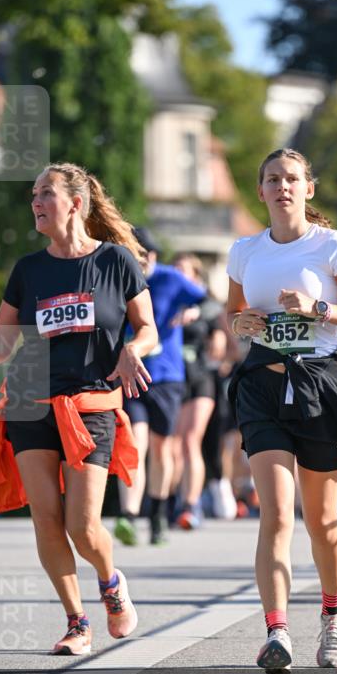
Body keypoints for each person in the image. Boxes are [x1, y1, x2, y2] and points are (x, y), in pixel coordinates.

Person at [0, 163, 157, 655]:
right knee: (46, 519)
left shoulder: (115, 261)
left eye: (45, 193)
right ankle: (76, 622)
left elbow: (149, 328)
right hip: (30, 403)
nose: (36, 202)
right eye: (33, 194)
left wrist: (135, 349)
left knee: (83, 525)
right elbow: (3, 346)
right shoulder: (29, 270)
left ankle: (111, 584)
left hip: (91, 405)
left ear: (75, 203)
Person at [226, 148, 337, 673]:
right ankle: (277, 632)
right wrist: (241, 324)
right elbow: (234, 314)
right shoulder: (245, 250)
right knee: (275, 513)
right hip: (263, 388)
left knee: (321, 519)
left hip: (319, 384)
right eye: (272, 179)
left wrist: (319, 308)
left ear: (307, 189)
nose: (283, 187)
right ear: (261, 190)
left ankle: (334, 618)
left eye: (292, 178)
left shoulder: (332, 245)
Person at [114, 230, 206, 546]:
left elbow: (206, 299)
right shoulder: (119, 279)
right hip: (132, 373)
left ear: (153, 256)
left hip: (167, 377)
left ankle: (156, 513)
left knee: (161, 447)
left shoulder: (171, 278)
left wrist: (193, 311)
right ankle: (128, 514)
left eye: (143, 256)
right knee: (135, 442)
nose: (139, 262)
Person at [170, 252, 223, 529]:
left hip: (201, 377)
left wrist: (200, 317)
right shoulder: (167, 298)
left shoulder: (203, 303)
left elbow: (218, 315)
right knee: (174, 445)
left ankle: (192, 505)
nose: (178, 274)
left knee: (191, 440)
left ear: (195, 276)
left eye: (184, 270)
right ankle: (172, 500)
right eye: (175, 268)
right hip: (173, 379)